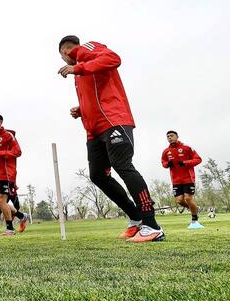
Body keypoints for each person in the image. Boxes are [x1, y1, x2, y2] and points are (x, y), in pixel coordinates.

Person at [58, 35, 164, 242]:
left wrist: (78, 66)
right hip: (94, 130)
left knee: (122, 165)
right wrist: (82, 110)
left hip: (114, 120)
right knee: (97, 175)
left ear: (65, 52)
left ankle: (151, 226)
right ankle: (135, 218)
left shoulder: (88, 49)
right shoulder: (79, 74)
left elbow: (114, 59)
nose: (66, 63)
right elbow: (97, 93)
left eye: (64, 58)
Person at [0, 117, 27, 235]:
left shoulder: (8, 135)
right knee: (0, 202)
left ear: (1, 122)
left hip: (7, 174)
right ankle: (22, 216)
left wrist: (1, 153)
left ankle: (10, 229)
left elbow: (18, 152)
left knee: (1, 201)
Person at [161, 130, 203, 229]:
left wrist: (185, 162)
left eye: (171, 136)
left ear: (177, 137)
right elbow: (163, 163)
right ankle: (195, 208)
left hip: (188, 179)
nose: (169, 138)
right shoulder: (166, 151)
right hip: (176, 181)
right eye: (168, 136)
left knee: (188, 198)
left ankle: (195, 220)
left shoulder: (186, 148)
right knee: (180, 201)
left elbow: (198, 159)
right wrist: (167, 164)